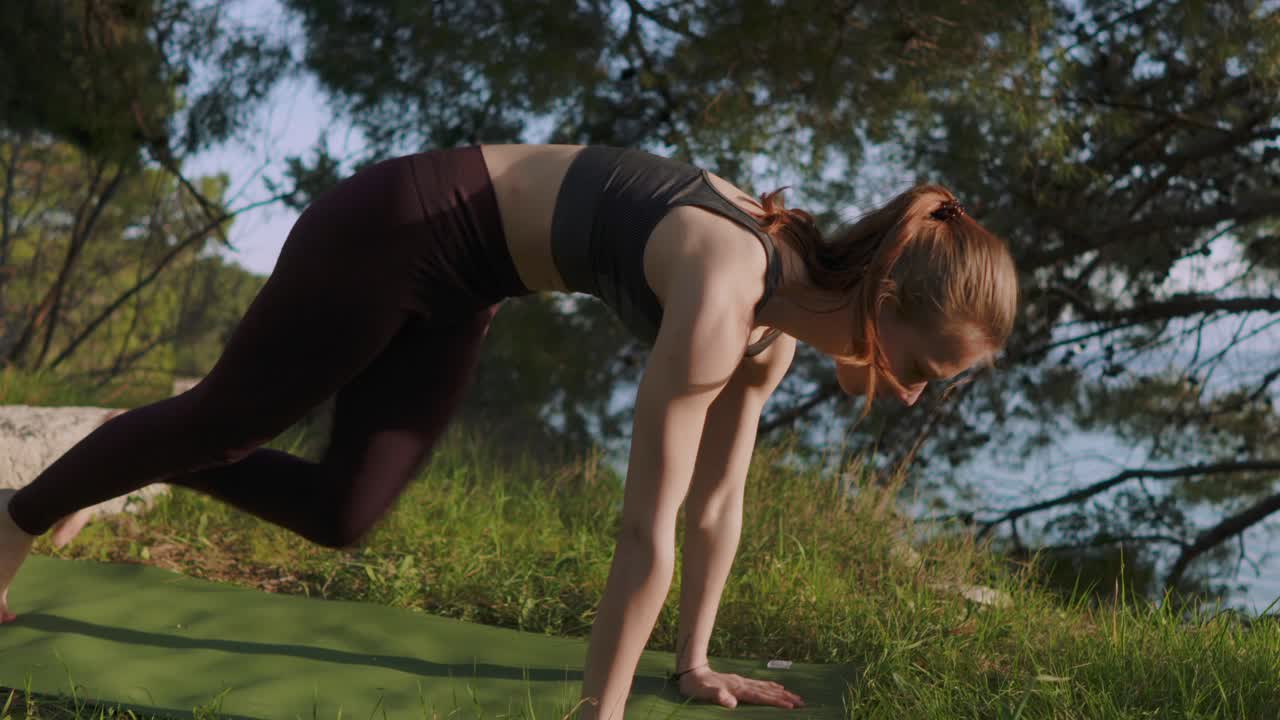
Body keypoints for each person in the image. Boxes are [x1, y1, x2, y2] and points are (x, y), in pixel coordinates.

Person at [0, 144, 1018, 719]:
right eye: (926, 367)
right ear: (884, 295)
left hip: (466, 282)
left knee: (341, 514)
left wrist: (694, 664)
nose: (917, 395)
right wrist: (598, 712)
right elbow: (643, 531)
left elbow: (716, 506)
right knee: (226, 420)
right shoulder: (727, 293)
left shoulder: (773, 331)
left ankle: (159, 449)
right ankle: (17, 519)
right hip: (393, 232)